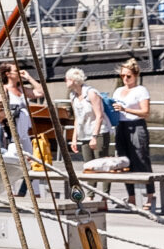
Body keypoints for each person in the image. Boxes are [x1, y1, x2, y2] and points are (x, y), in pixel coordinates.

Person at [111, 61, 154, 204]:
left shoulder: (141, 90)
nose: (125, 78)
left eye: (128, 76)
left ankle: (149, 196)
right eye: (122, 76)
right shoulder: (118, 91)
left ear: (135, 75)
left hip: (136, 125)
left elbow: (145, 112)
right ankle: (132, 197)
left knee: (141, 160)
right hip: (121, 126)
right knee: (125, 161)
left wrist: (125, 110)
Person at [64, 68, 106, 165]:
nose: (65, 82)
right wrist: (74, 139)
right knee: (88, 166)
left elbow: (99, 116)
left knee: (102, 165)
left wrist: (94, 137)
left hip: (98, 132)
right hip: (84, 134)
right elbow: (77, 118)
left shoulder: (91, 93)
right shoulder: (73, 95)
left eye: (66, 79)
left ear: (73, 80)